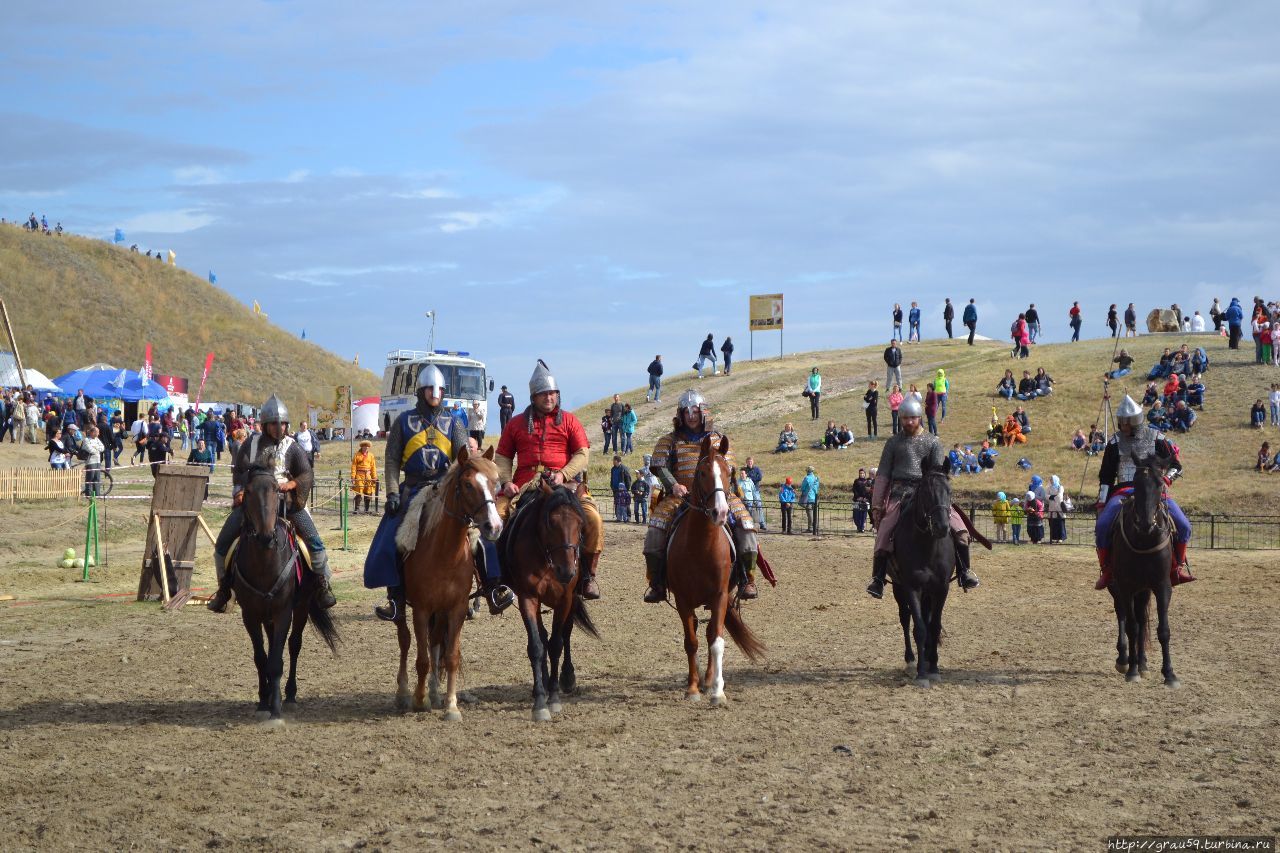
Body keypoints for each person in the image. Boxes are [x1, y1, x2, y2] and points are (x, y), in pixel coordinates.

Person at [365, 365, 510, 621]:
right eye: (431, 388)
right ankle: (396, 598)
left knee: (479, 534)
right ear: (421, 391)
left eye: (440, 389)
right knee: (393, 533)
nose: (436, 393)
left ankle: (492, 588)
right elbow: (391, 461)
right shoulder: (403, 422)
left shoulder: (453, 423)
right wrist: (392, 494)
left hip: (447, 489)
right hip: (413, 488)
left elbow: (465, 460)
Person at [207, 395, 336, 613]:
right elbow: (239, 470)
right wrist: (239, 491)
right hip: (255, 503)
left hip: (287, 504)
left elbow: (306, 474)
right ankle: (224, 591)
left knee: (314, 541)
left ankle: (322, 585)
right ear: (265, 424)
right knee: (221, 546)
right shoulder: (252, 443)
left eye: (283, 423)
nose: (279, 427)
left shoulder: (292, 446)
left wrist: (293, 483)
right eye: (274, 423)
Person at [495, 359, 604, 599]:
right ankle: (499, 579)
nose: (549, 398)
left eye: (553, 393)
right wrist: (505, 482)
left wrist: (563, 473)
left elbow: (582, 453)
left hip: (565, 485)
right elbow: (502, 457)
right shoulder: (515, 424)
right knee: (496, 518)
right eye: (544, 394)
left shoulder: (570, 421)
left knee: (593, 518)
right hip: (525, 486)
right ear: (533, 397)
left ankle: (588, 576)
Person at [642, 389, 760, 601]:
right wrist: (674, 485)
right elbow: (660, 467)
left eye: (695, 411)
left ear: (703, 412)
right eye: (686, 412)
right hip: (680, 496)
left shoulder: (718, 439)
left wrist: (724, 491)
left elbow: (729, 469)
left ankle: (747, 579)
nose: (691, 416)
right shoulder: (669, 440)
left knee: (747, 527)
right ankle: (657, 582)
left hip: (719, 495)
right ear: (680, 414)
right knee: (654, 531)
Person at [866, 396, 980, 598]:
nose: (909, 422)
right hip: (900, 495)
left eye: (912, 418)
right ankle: (878, 579)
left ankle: (964, 571)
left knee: (961, 530)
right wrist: (876, 506)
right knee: (884, 533)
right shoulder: (893, 443)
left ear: (920, 418)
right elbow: (883, 475)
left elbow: (938, 473)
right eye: (905, 418)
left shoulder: (933, 442)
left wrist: (937, 496)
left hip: (930, 494)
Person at [1094, 394, 1194, 589]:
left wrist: (1164, 479)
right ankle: (1107, 570)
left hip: (1153, 491)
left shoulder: (1157, 438)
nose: (1122, 426)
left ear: (1135, 421)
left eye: (1126, 422)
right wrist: (1101, 503)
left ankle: (1177, 568)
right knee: (1102, 526)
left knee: (1183, 525)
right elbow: (1106, 477)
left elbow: (1176, 466)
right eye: (1121, 422)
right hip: (1123, 492)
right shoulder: (1114, 443)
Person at [350, 440, 378, 514]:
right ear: (361, 447)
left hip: (368, 475)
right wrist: (353, 477)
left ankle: (367, 509)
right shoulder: (357, 455)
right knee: (359, 490)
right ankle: (356, 509)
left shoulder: (371, 455)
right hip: (359, 475)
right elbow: (353, 466)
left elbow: (373, 467)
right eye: (364, 446)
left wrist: (374, 477)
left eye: (367, 446)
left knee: (368, 490)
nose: (365, 448)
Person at [1045, 476, 1070, 543]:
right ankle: (1054, 537)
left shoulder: (1060, 487)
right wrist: (1052, 497)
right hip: (1052, 507)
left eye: (1052, 479)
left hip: (1059, 508)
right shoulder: (1049, 487)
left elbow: (1059, 496)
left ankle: (1061, 538)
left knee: (1060, 523)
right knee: (1053, 523)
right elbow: (1046, 496)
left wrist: (1051, 497)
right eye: (1050, 479)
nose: (1051, 481)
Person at [610, 455, 632, 522]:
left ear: (617, 461)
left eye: (613, 460)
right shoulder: (613, 469)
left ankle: (628, 517)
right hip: (615, 489)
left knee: (625, 503)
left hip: (623, 490)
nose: (613, 461)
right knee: (617, 503)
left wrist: (626, 489)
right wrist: (611, 485)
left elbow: (628, 480)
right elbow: (612, 478)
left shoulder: (624, 469)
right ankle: (618, 517)